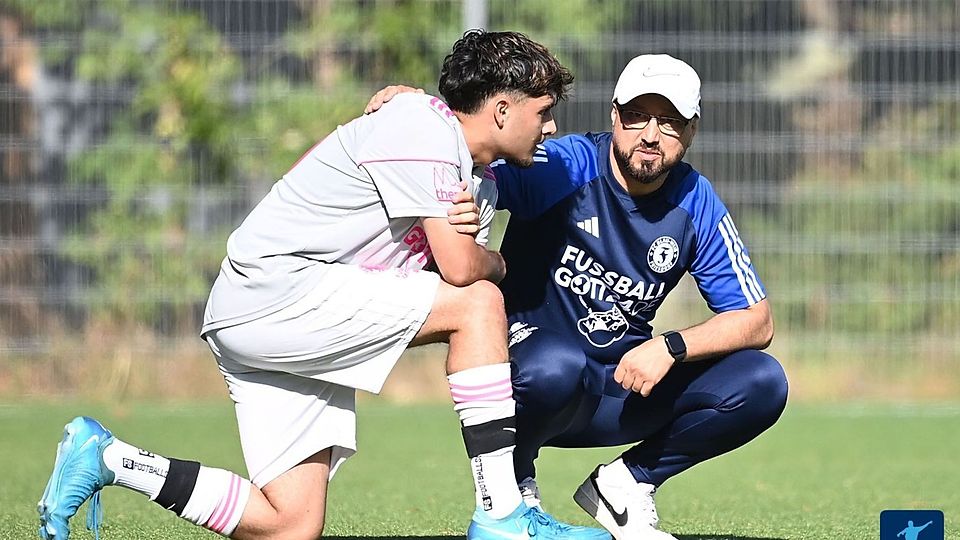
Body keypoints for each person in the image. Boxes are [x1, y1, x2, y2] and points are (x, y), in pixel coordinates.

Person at [37, 30, 612, 540]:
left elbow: (443, 278)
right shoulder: (422, 125)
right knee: (480, 300)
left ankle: (109, 458)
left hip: (278, 316)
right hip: (273, 293)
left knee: (291, 525)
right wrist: (498, 265)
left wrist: (473, 258)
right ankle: (502, 512)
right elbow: (464, 274)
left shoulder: (478, 182)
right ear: (504, 110)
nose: (553, 125)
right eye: (544, 111)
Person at [367, 53, 789, 540]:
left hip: (617, 389)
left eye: (669, 122)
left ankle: (627, 484)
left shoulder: (696, 200)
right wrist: (421, 114)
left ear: (691, 131)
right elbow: (473, 146)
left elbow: (756, 321)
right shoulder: (564, 166)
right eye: (637, 116)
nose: (650, 134)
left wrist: (669, 346)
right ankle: (514, 492)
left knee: (762, 381)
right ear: (614, 116)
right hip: (535, 380)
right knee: (557, 364)